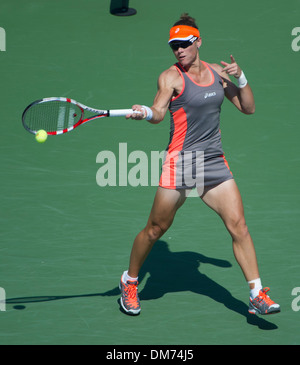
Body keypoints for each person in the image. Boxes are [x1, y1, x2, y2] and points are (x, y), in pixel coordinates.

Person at [119, 13, 280, 316]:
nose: (178, 50)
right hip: (180, 162)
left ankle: (257, 294)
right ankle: (129, 280)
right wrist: (144, 112)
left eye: (183, 44)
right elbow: (158, 112)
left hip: (213, 162)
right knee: (155, 229)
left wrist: (241, 76)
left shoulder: (218, 72)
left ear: (198, 41)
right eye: (173, 46)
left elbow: (248, 107)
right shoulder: (171, 77)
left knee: (239, 226)